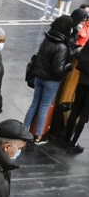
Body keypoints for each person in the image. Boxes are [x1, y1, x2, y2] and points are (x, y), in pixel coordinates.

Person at [23, 16, 72, 145]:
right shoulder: (62, 47)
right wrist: (69, 66)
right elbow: (58, 69)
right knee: (44, 107)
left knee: (34, 104)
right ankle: (38, 136)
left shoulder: (47, 39)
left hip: (39, 77)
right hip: (51, 81)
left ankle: (23, 131)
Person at [64, 37, 89, 152]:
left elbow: (81, 55)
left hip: (82, 80)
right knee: (84, 115)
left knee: (75, 110)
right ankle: (73, 145)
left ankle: (66, 138)